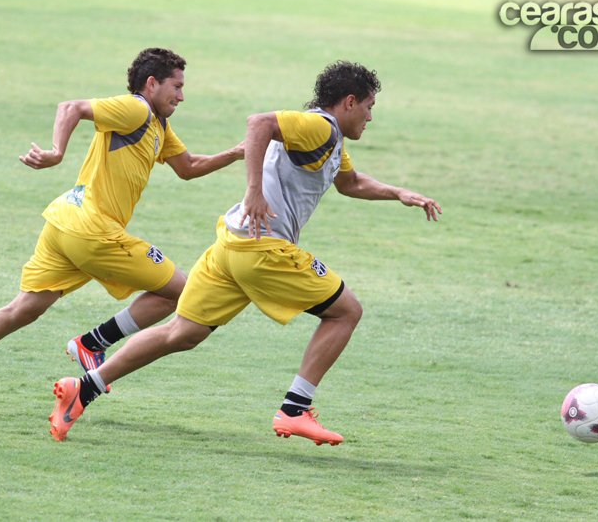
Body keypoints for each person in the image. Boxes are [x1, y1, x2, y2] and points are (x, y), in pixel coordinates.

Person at [49, 60, 441, 444]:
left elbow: (350, 182)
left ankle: (82, 389)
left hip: (230, 246)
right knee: (346, 311)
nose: (370, 118)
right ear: (350, 102)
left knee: (180, 334)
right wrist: (254, 190)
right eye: (370, 107)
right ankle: (294, 409)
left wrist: (399, 193)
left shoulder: (327, 138)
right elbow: (258, 123)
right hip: (263, 249)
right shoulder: (319, 125)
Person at [0, 48, 244, 411]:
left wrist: (238, 151)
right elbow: (72, 107)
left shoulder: (159, 126)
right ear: (152, 84)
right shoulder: (136, 109)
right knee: (180, 292)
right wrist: (56, 152)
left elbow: (188, 166)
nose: (181, 96)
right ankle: (93, 343)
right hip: (93, 231)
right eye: (176, 87)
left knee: (23, 308)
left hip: (65, 221)